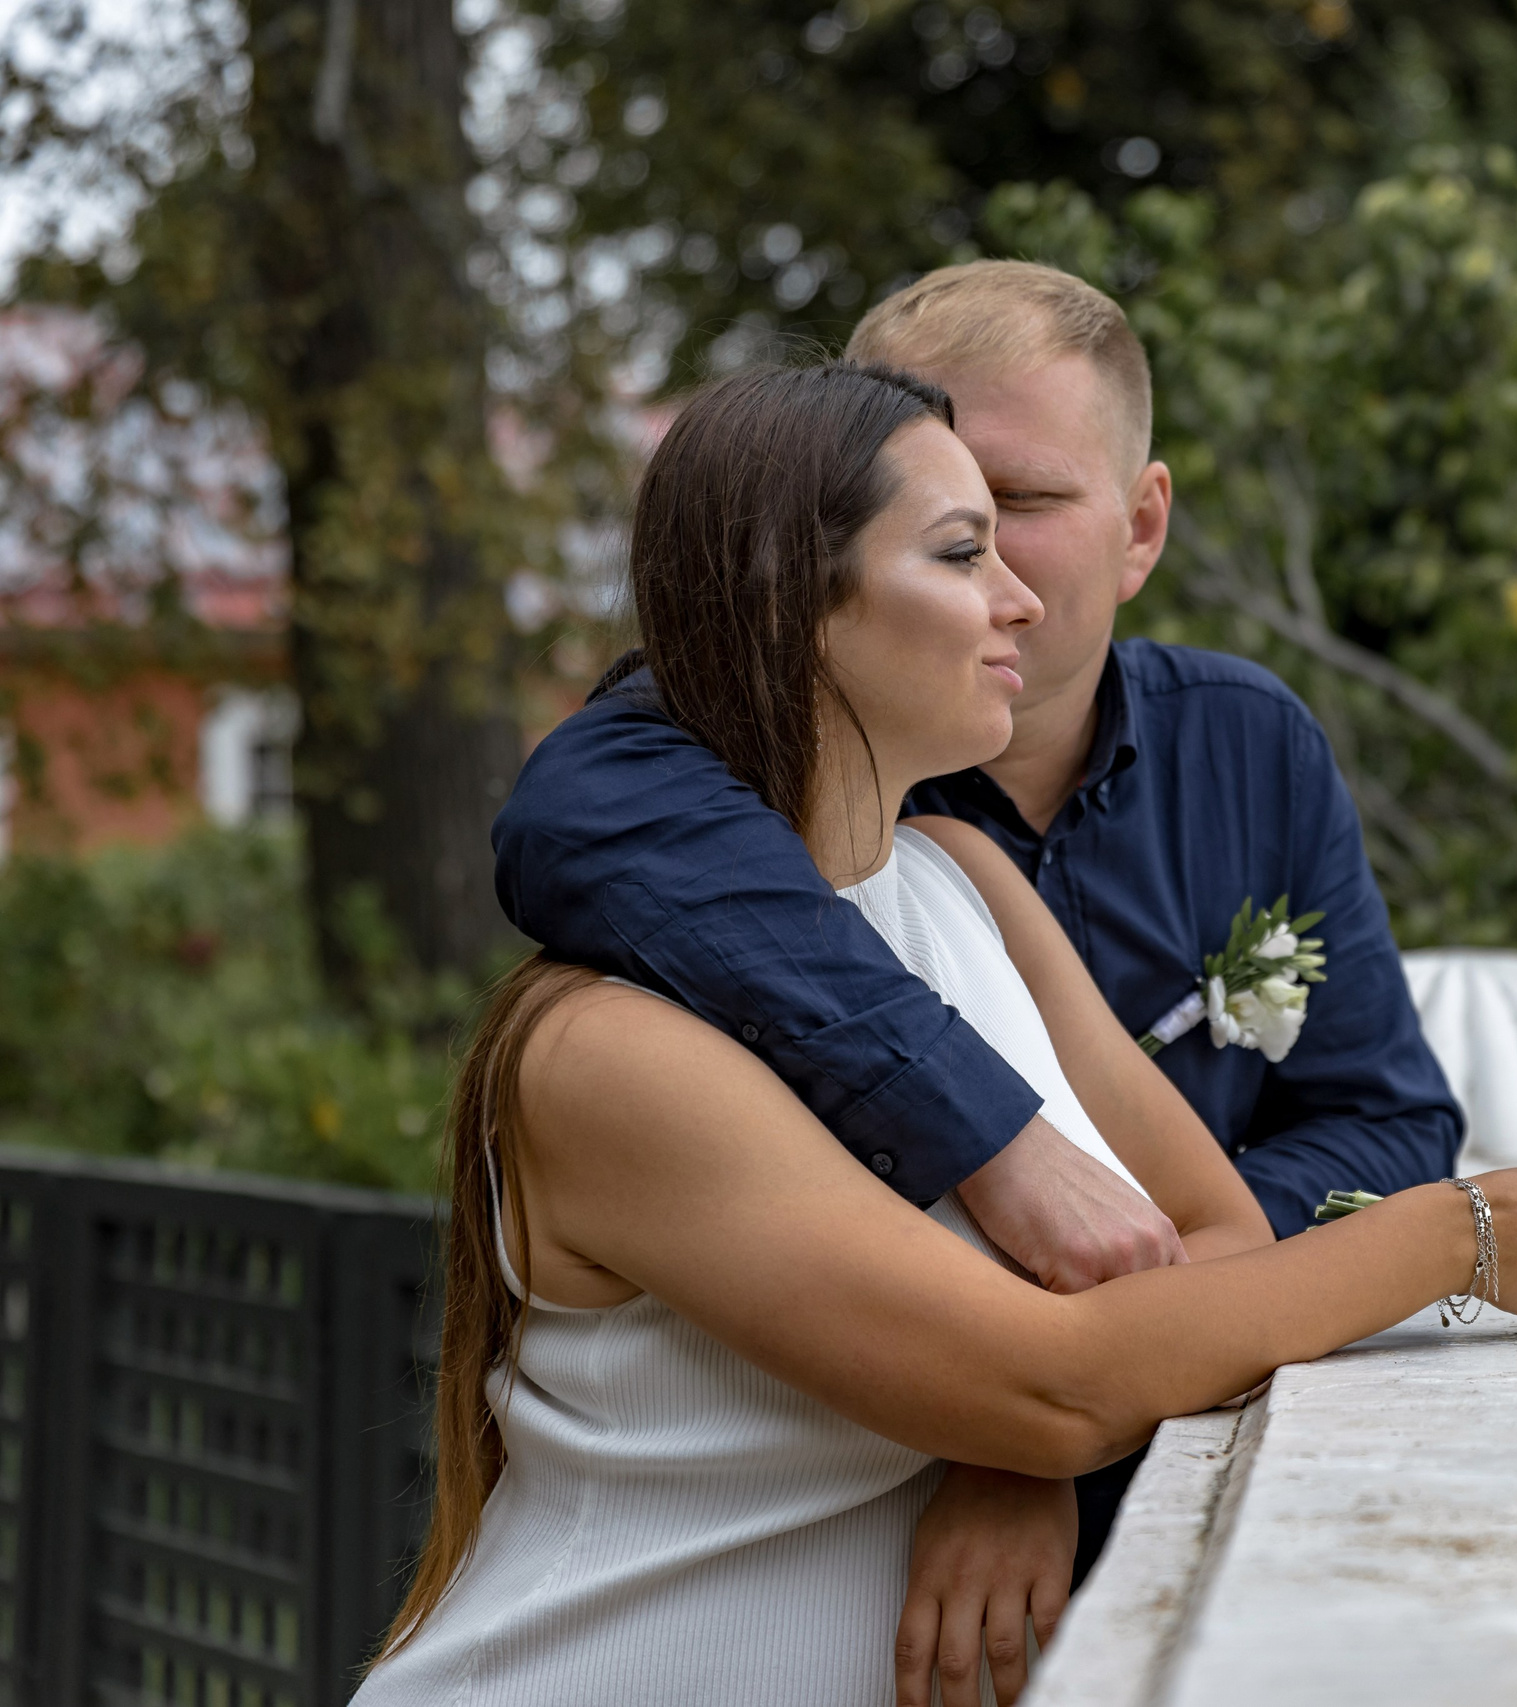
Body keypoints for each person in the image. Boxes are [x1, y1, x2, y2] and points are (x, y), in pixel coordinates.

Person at [357, 363, 1517, 1707]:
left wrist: (1052, 1420)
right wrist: (1458, 1237)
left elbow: (1221, 1236)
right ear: (794, 601)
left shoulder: (969, 886)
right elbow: (1047, 1384)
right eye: (965, 552)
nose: (1023, 601)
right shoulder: (612, 1051)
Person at [488, 260, 1464, 1583]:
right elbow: (569, 811)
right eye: (958, 530)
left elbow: (1388, 1122)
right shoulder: (742, 791)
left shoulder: (1242, 748)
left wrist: (1082, 1380)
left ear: (1141, 524)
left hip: (1163, 1452)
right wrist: (998, 1184)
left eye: (1024, 507)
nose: (1001, 569)